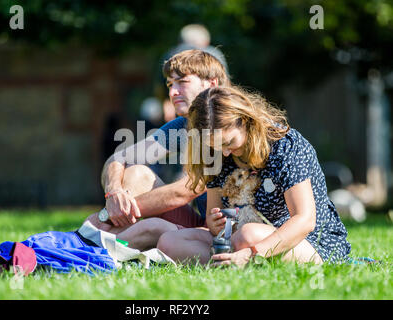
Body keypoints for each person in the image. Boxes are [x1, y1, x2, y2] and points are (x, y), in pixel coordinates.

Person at [156, 86, 351, 266]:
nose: (224, 153)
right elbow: (216, 221)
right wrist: (216, 224)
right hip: (241, 239)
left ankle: (240, 260)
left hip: (308, 242)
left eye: (229, 142)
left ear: (244, 120)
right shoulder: (217, 154)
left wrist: (251, 253)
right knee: (169, 241)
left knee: (248, 235)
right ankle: (230, 262)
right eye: (216, 146)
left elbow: (304, 221)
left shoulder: (285, 146)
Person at [84, 50, 231, 251]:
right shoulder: (183, 124)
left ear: (211, 84)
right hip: (205, 226)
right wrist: (114, 193)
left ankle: (94, 241)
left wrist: (108, 215)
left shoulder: (228, 122)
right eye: (170, 84)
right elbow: (118, 158)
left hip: (237, 231)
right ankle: (98, 242)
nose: (172, 92)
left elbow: (186, 191)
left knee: (151, 228)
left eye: (182, 82)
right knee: (136, 174)